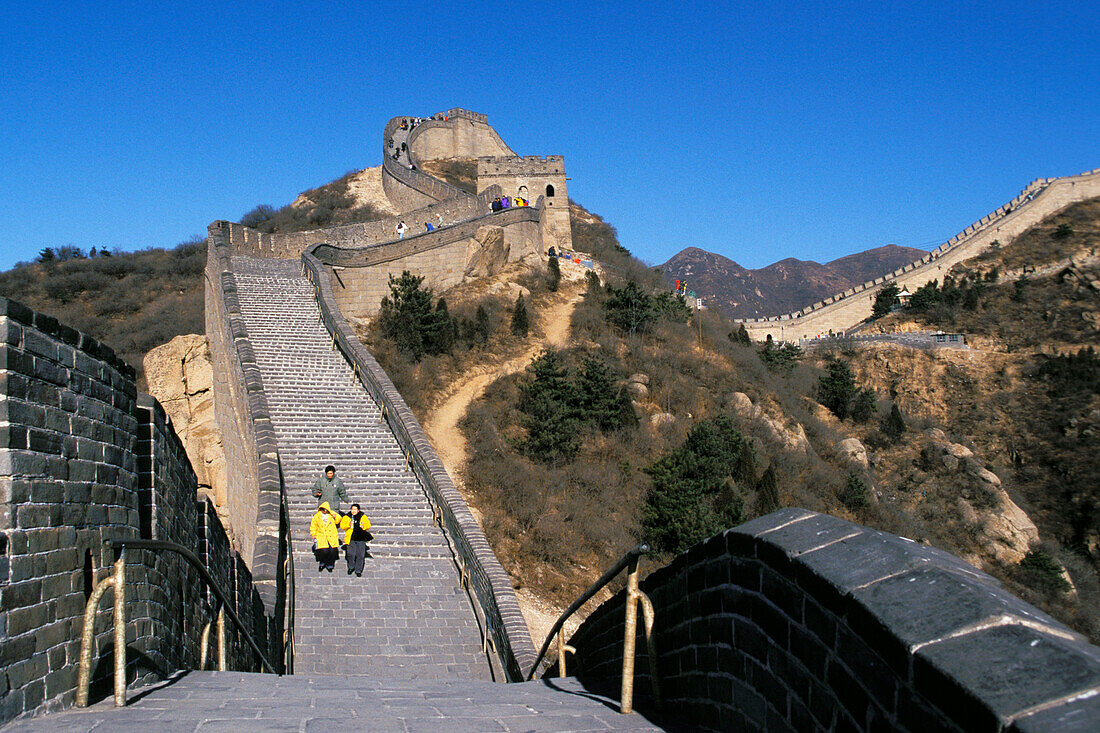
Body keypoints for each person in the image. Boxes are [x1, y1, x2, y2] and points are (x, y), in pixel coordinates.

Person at [339, 503, 374, 576]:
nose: (353, 511)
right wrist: (348, 525)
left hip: (360, 538)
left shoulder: (363, 516)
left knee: (360, 555)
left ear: (358, 510)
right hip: (351, 538)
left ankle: (358, 570)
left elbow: (368, 525)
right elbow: (342, 526)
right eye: (352, 509)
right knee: (350, 554)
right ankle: (351, 567)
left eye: (355, 509)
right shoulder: (347, 516)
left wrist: (364, 526)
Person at [310, 502, 340, 572]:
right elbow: (313, 526)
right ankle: (322, 562)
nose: (324, 511)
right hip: (321, 536)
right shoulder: (317, 516)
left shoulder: (331, 514)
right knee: (324, 551)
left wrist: (335, 516)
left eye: (325, 510)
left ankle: (330, 564)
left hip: (331, 535)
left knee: (332, 551)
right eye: (323, 510)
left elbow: (338, 520)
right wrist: (313, 534)